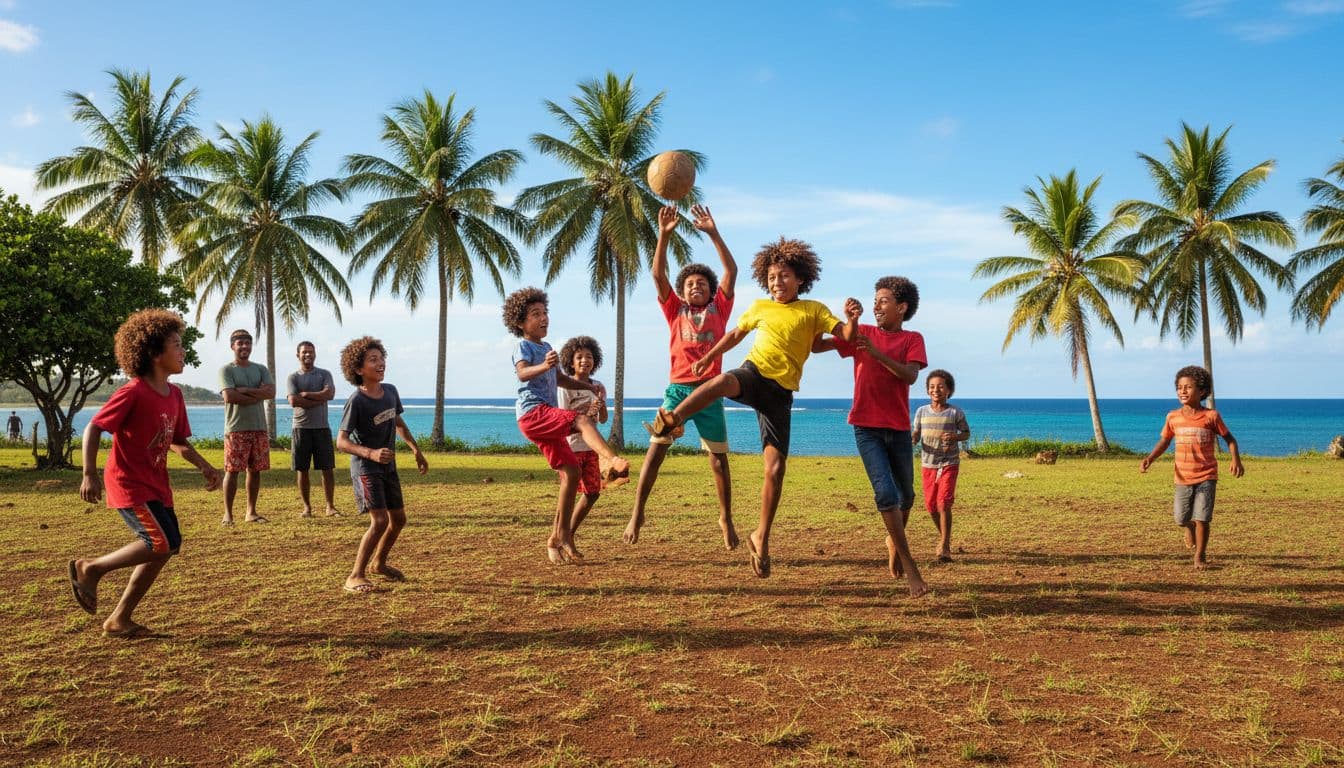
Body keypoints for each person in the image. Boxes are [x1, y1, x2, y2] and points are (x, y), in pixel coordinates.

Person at [648, 237, 858, 578]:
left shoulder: (814, 309)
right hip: (754, 373)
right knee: (721, 382)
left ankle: (761, 535)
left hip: (780, 394)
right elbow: (734, 335)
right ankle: (674, 418)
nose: (778, 282)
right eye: (773, 277)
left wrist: (850, 321)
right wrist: (710, 356)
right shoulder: (760, 307)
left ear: (800, 278)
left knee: (775, 470)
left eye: (785, 276)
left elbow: (832, 340)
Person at [69, 309, 221, 638]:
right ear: (154, 353)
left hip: (156, 485)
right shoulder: (133, 392)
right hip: (129, 483)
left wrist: (206, 467)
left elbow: (177, 441)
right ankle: (90, 568)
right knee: (160, 541)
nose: (183, 352)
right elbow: (94, 428)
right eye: (177, 345)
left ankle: (119, 619)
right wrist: (88, 474)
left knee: (169, 545)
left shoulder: (175, 395)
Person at [625, 204, 739, 549]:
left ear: (710, 290)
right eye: (690, 284)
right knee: (656, 449)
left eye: (701, 284)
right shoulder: (675, 310)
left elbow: (731, 270)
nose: (695, 288)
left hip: (709, 392)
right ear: (683, 291)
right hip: (677, 390)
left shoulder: (720, 307)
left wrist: (713, 233)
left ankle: (726, 518)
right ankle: (637, 512)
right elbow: (658, 276)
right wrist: (663, 235)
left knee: (718, 460)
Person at [814, 276, 929, 597]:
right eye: (874, 300)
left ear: (901, 307)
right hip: (866, 427)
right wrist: (849, 321)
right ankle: (910, 567)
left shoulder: (912, 338)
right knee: (885, 495)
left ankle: (894, 541)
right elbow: (817, 346)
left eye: (883, 301)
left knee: (906, 496)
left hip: (899, 428)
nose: (876, 306)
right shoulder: (862, 332)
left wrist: (877, 355)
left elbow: (909, 375)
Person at [503, 287, 631, 564]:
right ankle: (611, 460)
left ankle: (556, 539)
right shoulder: (524, 346)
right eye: (536, 314)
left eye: (545, 313)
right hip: (533, 414)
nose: (544, 318)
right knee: (581, 419)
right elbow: (523, 373)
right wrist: (544, 366)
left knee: (572, 473)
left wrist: (589, 387)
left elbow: (561, 380)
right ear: (520, 323)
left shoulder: (548, 348)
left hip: (545, 418)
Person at [335, 336, 428, 593]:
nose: (380, 363)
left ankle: (380, 564)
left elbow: (397, 422)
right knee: (379, 521)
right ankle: (355, 575)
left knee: (398, 519)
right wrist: (371, 453)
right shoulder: (357, 401)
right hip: (366, 468)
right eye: (373, 360)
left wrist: (416, 450)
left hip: (388, 467)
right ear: (358, 369)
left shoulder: (391, 392)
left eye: (382, 358)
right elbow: (341, 442)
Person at [1140, 365, 1244, 569]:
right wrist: (1150, 458)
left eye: (1188, 387)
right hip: (1182, 477)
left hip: (1207, 475)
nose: (1182, 391)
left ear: (1202, 391)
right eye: (1179, 387)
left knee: (1203, 518)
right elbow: (1164, 441)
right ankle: (1188, 528)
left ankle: (1199, 557)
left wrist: (1235, 460)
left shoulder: (1211, 416)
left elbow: (1230, 440)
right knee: (1181, 518)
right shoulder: (1173, 417)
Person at [557, 335, 612, 559]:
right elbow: (563, 419)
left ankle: (568, 533)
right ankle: (561, 537)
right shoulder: (565, 387)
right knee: (568, 494)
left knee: (593, 493)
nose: (584, 361)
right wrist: (586, 413)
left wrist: (600, 406)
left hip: (591, 449)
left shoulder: (598, 386)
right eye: (579, 357)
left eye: (589, 357)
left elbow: (604, 419)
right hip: (571, 448)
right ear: (571, 362)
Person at [911, 369, 971, 562]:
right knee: (930, 506)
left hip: (948, 462)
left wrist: (955, 436)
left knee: (943, 502)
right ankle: (945, 537)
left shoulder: (955, 412)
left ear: (949, 390)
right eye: (932, 387)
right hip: (928, 464)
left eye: (940, 386)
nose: (936, 390)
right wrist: (910, 439)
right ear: (928, 390)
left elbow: (966, 433)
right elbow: (916, 435)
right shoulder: (921, 411)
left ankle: (944, 546)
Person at [219, 329, 274, 525]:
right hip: (236, 428)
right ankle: (228, 514)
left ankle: (251, 512)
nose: (244, 347)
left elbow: (271, 392)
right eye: (240, 343)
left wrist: (245, 391)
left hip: (259, 427)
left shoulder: (260, 369)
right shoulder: (227, 370)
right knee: (232, 470)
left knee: (255, 470)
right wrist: (257, 393)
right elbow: (229, 396)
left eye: (247, 343)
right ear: (232, 346)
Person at [287, 341, 340, 518]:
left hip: (322, 428)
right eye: (304, 352)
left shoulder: (324, 374)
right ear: (298, 355)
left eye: (310, 352)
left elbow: (330, 394)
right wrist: (319, 399)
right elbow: (294, 401)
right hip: (301, 428)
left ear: (315, 354)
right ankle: (307, 507)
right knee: (302, 469)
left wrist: (307, 395)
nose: (307, 355)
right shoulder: (293, 377)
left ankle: (330, 506)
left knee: (327, 469)